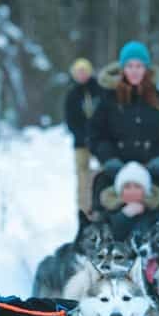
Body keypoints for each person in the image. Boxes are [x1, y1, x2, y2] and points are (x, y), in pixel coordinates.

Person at [89, 40, 159, 210]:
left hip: (152, 171)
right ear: (122, 69)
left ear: (146, 69)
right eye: (130, 66)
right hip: (115, 172)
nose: (134, 71)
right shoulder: (108, 100)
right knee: (103, 212)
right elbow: (95, 134)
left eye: (139, 66)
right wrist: (109, 158)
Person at [65, 58, 102, 213]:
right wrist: (82, 137)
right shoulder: (72, 94)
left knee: (102, 173)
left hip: (100, 141)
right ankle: (84, 210)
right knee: (83, 177)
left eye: (84, 71)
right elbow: (71, 120)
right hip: (81, 143)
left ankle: (101, 206)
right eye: (78, 72)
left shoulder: (99, 91)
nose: (82, 75)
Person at [100, 161, 159, 241]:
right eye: (127, 187)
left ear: (145, 191)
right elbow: (110, 237)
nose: (132, 191)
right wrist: (124, 216)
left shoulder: (156, 211)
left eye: (137, 186)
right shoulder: (110, 213)